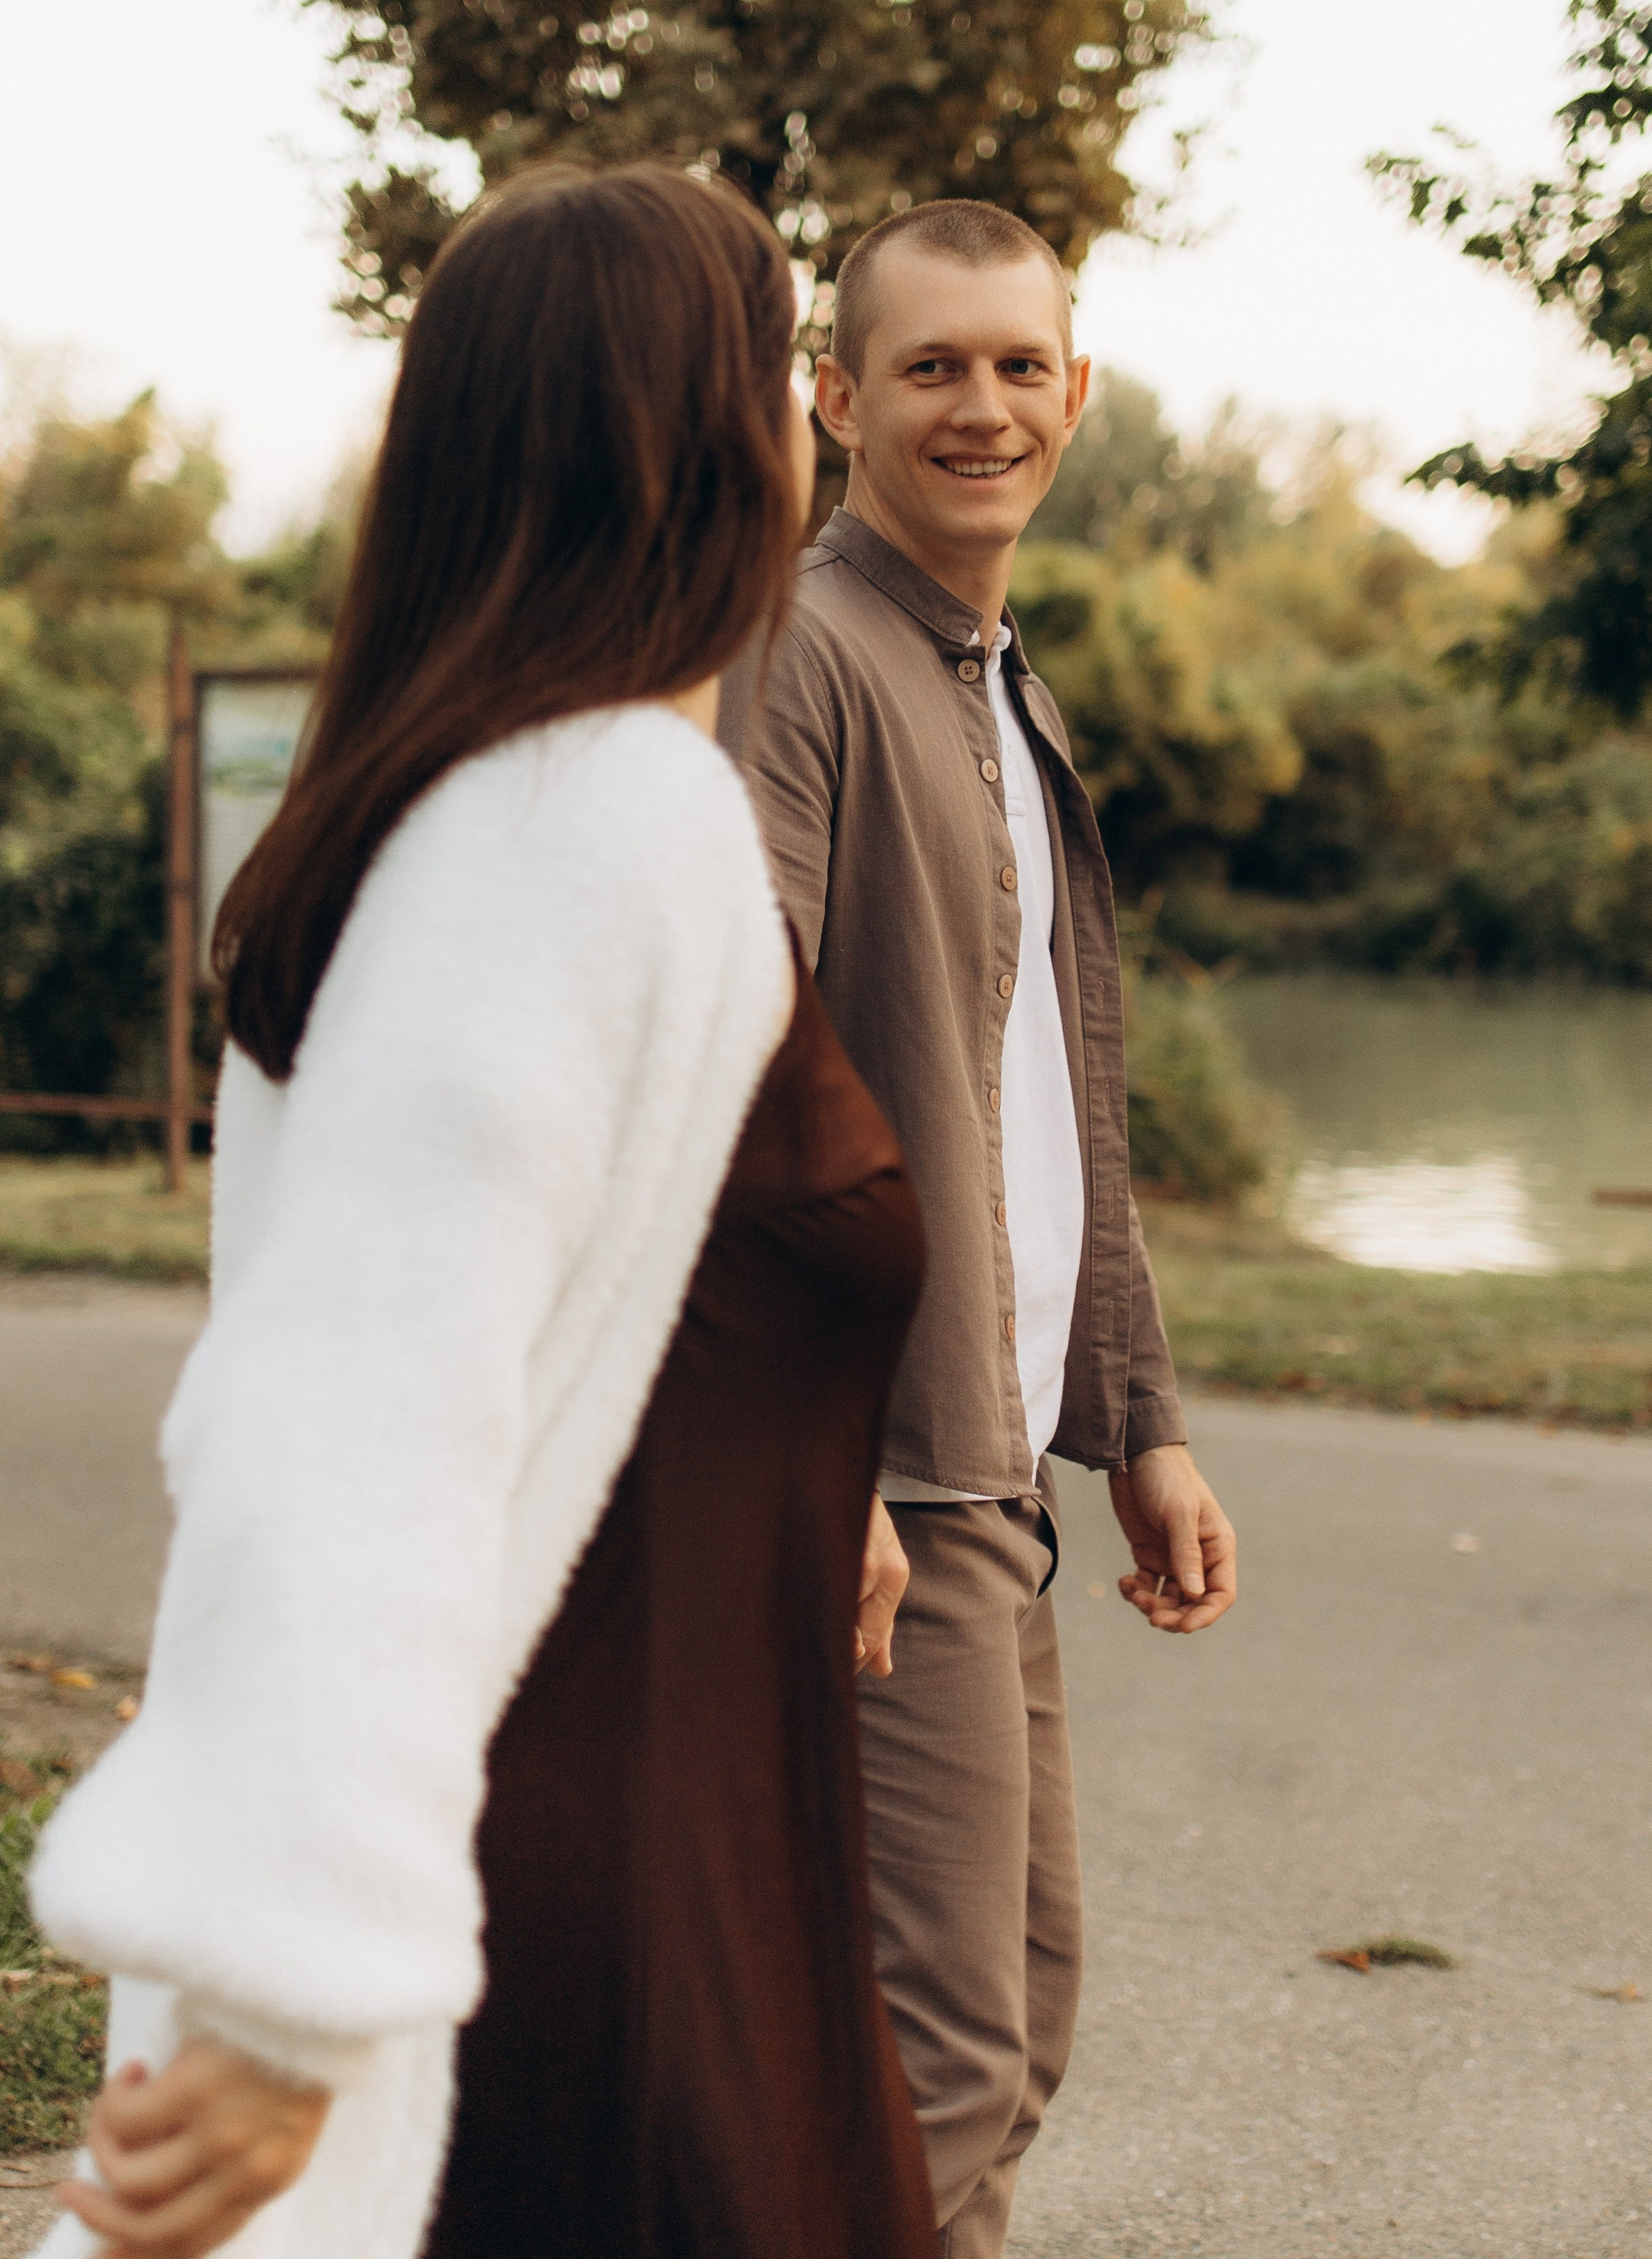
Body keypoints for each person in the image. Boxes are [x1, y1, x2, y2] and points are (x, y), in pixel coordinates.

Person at [30, 163, 938, 2259]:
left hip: (692, 1826)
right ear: (702, 437)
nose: (809, 433)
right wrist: (287, 1982)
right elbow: (355, 1404)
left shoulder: (510, 807)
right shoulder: (575, 823)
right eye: (777, 376)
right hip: (584, 1891)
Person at [719, 197, 1240, 2258]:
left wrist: (1142, 1418)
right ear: (836, 398)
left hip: (988, 1465)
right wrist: (810, 1447)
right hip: (881, 1462)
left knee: (1004, 2026)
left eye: (1021, 365)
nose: (983, 405)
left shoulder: (1002, 693)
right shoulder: (803, 658)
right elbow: (735, 1056)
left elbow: (1049, 1114)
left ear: (1079, 394)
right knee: (937, 2062)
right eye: (931, 366)